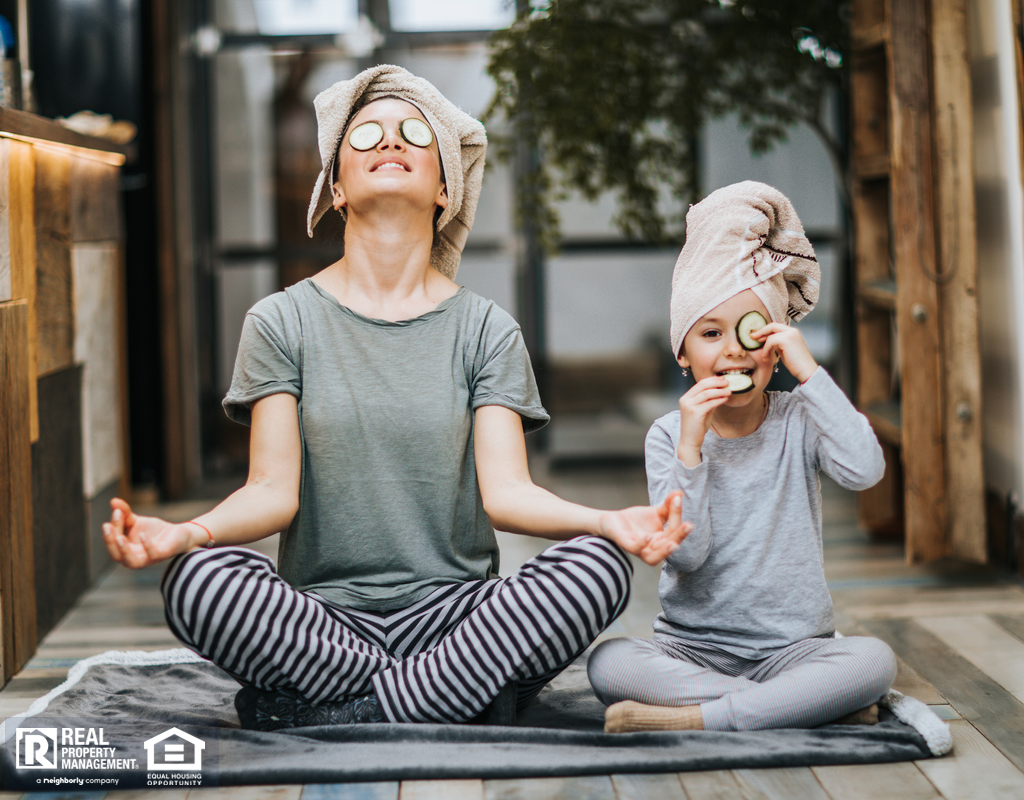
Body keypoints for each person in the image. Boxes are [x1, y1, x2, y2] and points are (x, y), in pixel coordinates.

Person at [102, 65, 690, 730]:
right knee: (196, 581)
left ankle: (347, 709)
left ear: (445, 187)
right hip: (322, 624)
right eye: (366, 136)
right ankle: (448, 698)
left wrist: (607, 522)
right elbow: (271, 490)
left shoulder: (485, 329)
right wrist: (187, 533)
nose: (390, 142)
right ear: (337, 188)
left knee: (598, 566)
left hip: (457, 619)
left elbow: (508, 495)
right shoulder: (280, 321)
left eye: (414, 134)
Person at [587, 181, 897, 734]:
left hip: (794, 648)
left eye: (750, 332)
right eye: (710, 333)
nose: (732, 348)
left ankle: (702, 717)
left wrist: (812, 375)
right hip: (694, 649)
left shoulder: (800, 416)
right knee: (609, 661)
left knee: (873, 660)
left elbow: (866, 469)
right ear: (684, 354)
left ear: (775, 346)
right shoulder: (668, 435)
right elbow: (687, 555)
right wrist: (691, 448)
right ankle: (795, 706)